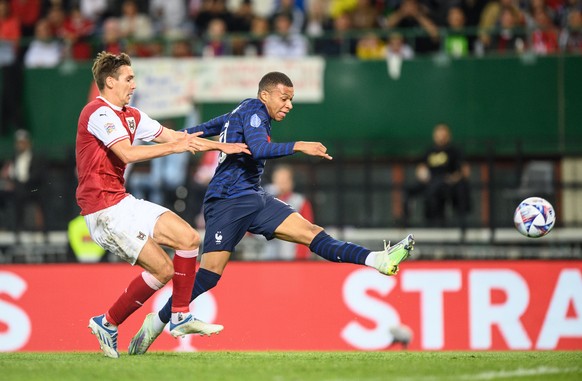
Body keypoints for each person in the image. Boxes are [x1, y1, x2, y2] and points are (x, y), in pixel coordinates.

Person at [128, 71, 415, 355]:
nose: (289, 104)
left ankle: (376, 259)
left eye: (291, 99)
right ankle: (158, 321)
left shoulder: (241, 110)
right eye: (284, 98)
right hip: (226, 200)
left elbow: (196, 131)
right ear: (265, 95)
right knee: (210, 274)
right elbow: (258, 149)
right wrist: (300, 145)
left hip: (253, 197)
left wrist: (163, 137)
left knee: (311, 233)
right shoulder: (254, 109)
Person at [78, 51, 250, 358]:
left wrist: (223, 145)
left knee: (188, 239)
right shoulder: (98, 113)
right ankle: (108, 322)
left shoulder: (132, 115)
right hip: (103, 210)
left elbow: (178, 136)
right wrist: (175, 146)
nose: (134, 84)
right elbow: (128, 154)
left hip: (123, 201)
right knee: (162, 269)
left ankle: (179, 315)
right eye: (128, 78)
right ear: (109, 82)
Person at [403, 123, 471, 227]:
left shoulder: (454, 150)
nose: (441, 138)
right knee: (409, 189)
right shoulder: (430, 150)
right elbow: (421, 167)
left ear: (448, 136)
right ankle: (405, 221)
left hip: (447, 183)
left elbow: (464, 170)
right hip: (430, 181)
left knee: (439, 190)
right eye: (438, 135)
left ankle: (442, 223)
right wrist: (422, 175)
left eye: (443, 135)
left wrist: (453, 178)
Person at [261, 164, 314, 260]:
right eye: (278, 180)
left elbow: (307, 233)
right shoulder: (263, 201)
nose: (281, 183)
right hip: (265, 259)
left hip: (291, 259)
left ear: (291, 182)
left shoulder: (300, 202)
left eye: (284, 180)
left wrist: (301, 259)